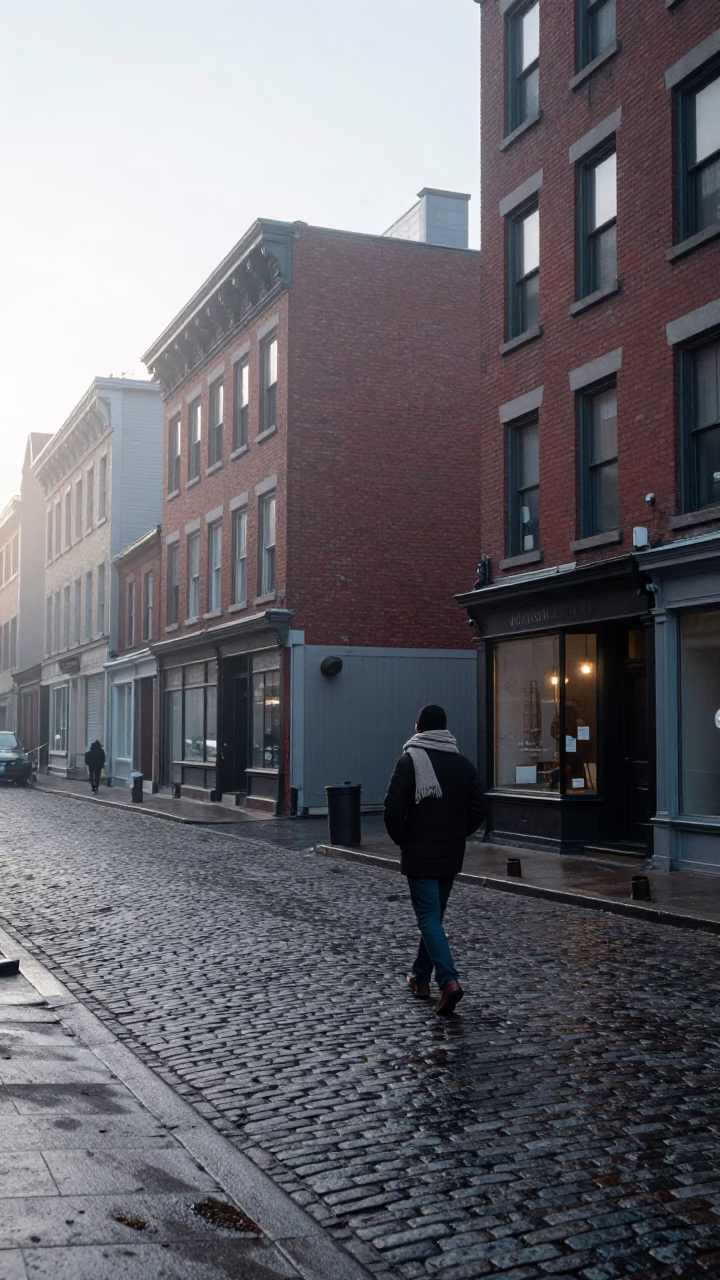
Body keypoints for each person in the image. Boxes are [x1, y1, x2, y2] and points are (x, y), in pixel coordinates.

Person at [384, 705, 486, 1016]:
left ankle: (448, 981)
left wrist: (406, 840)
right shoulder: (463, 764)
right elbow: (479, 808)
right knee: (433, 920)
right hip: (450, 855)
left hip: (421, 855)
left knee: (429, 919)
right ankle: (420, 978)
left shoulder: (409, 761)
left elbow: (391, 811)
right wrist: (458, 834)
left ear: (419, 728)